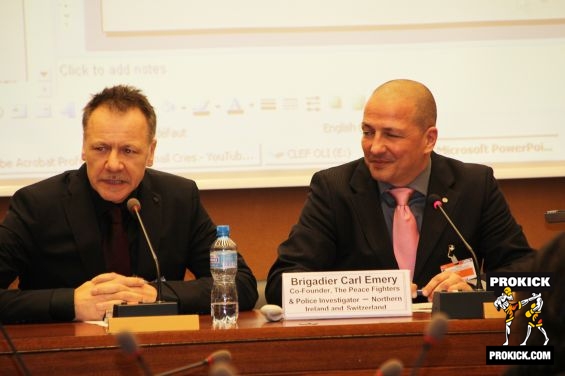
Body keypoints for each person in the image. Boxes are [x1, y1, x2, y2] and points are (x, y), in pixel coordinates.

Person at [0, 85, 258, 323]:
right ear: (83, 147)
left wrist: (155, 294)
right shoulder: (37, 205)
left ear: (151, 152)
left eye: (128, 151)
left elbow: (241, 284)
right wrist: (69, 303)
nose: (113, 164)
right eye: (100, 148)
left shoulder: (179, 198)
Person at [265, 78, 534, 306]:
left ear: (429, 139)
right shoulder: (334, 188)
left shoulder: (474, 184)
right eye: (368, 132)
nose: (375, 147)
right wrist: (371, 292)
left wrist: (477, 290)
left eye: (391, 135)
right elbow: (282, 283)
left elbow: (527, 273)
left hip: (452, 342)